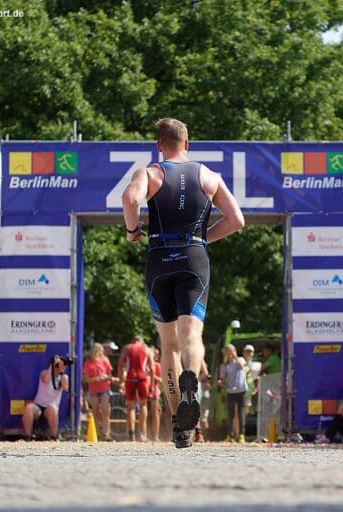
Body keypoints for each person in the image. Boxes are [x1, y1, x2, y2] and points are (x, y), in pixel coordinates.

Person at [122, 117, 245, 449]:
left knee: (168, 344)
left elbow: (130, 201)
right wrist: (204, 239)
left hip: (159, 257)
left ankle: (180, 424)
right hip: (194, 256)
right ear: (187, 144)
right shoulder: (209, 176)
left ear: (159, 145)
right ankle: (192, 379)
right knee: (192, 335)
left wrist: (133, 231)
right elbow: (237, 220)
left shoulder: (149, 173)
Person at [22, 355, 70, 441]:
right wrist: (53, 364)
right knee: (29, 407)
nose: (57, 367)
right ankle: (27, 436)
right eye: (57, 365)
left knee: (53, 408)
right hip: (39, 406)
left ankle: (53, 436)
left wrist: (62, 371)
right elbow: (46, 379)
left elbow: (66, 387)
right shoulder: (44, 373)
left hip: (51, 409)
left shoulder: (64, 377)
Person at [118, 335, 151, 442]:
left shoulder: (127, 348)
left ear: (133, 341)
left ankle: (131, 435)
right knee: (143, 405)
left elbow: (120, 365)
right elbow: (153, 368)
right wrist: (152, 384)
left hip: (130, 378)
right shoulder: (147, 349)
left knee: (131, 407)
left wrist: (120, 382)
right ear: (141, 341)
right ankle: (142, 434)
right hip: (142, 379)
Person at [83, 342, 116, 441]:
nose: (102, 353)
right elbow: (86, 379)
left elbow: (110, 376)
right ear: (95, 352)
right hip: (94, 390)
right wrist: (97, 379)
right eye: (101, 351)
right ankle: (96, 433)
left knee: (106, 411)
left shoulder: (105, 360)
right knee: (96, 412)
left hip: (105, 388)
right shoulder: (88, 363)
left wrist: (106, 377)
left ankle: (106, 434)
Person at [218, 344, 248, 443]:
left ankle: (241, 435)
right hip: (231, 391)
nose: (230, 355)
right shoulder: (225, 365)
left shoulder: (240, 360)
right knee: (230, 414)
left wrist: (235, 357)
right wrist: (221, 382)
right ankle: (230, 435)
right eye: (228, 353)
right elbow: (222, 378)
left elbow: (241, 367)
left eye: (231, 352)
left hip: (241, 390)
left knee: (240, 413)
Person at [146, 345, 163, 442]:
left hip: (154, 392)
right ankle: (145, 434)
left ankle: (155, 436)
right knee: (145, 414)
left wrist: (152, 376)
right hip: (144, 390)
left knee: (155, 413)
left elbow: (160, 379)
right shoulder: (144, 364)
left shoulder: (156, 365)